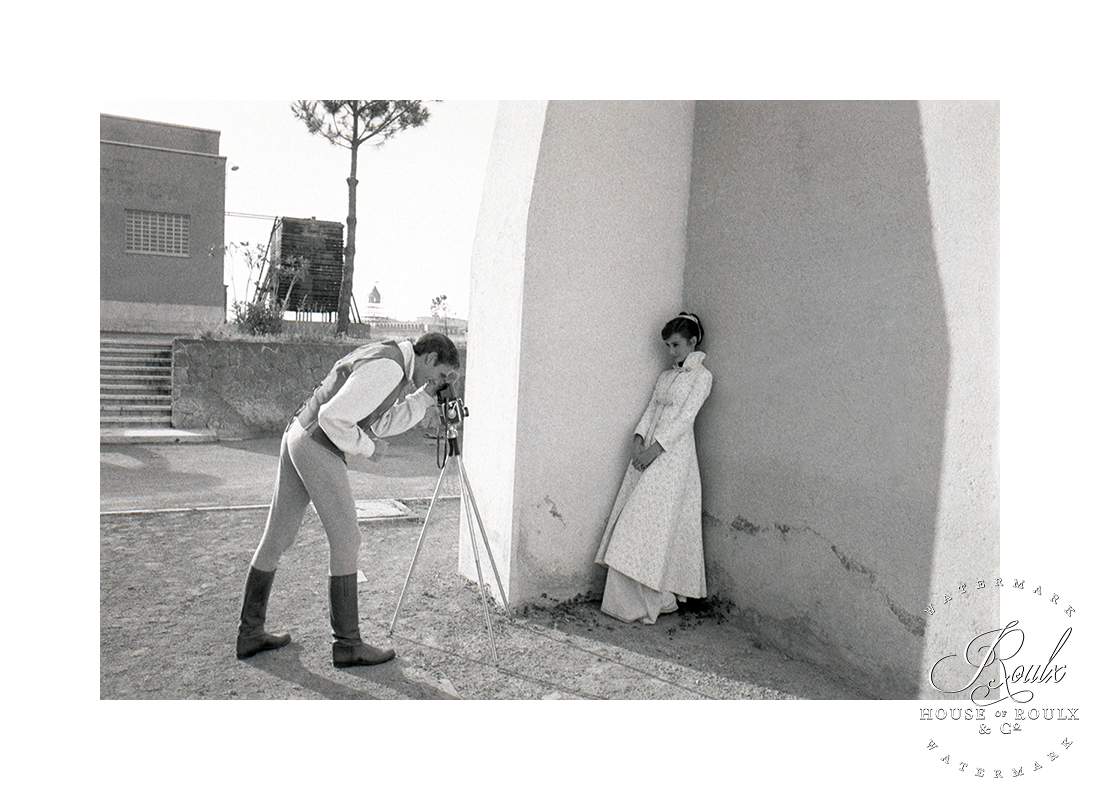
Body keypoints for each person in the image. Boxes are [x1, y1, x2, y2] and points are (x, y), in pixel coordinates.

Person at [235, 332, 461, 667]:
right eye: (441, 375)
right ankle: (347, 644)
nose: (441, 382)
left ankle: (249, 632)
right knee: (346, 540)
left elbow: (380, 422)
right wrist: (368, 449)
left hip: (299, 433)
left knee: (278, 537)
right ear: (430, 359)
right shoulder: (391, 369)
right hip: (317, 441)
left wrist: (424, 398)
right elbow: (332, 418)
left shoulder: (390, 359)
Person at [594, 312, 712, 624]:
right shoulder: (665, 376)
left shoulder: (702, 378)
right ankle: (628, 601)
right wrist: (637, 440)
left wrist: (654, 450)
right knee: (638, 521)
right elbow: (651, 409)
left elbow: (686, 419)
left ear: (692, 341)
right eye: (667, 346)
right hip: (648, 450)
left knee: (656, 523)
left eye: (676, 345)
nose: (671, 352)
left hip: (673, 456)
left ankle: (659, 595)